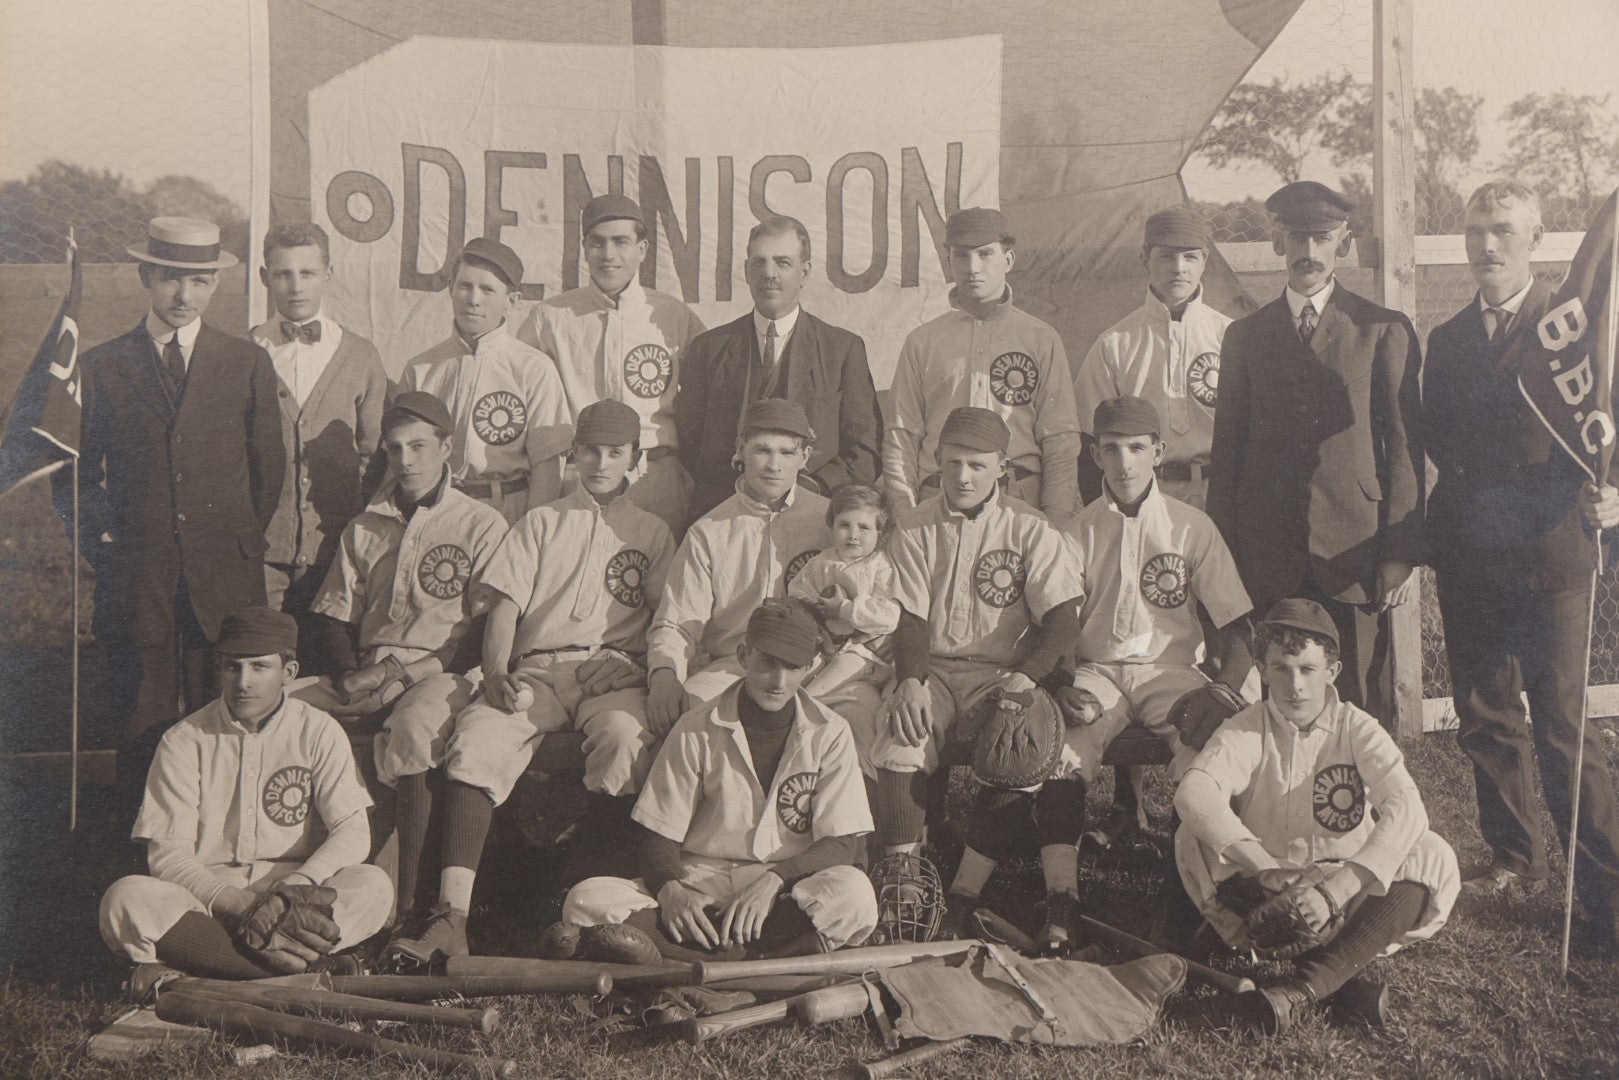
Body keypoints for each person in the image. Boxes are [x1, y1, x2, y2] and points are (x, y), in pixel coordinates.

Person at [382, 401, 676, 967]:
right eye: (589, 450)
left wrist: (637, 669)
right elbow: (505, 609)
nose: (600, 463)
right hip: (538, 667)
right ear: (572, 455)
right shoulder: (542, 520)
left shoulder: (654, 532)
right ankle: (452, 916)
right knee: (480, 737)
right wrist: (495, 672)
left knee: (623, 739)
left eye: (615, 453)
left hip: (611, 672)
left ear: (634, 460)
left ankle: (574, 910)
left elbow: (665, 619)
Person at [1424, 179, 1619, 947]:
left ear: (1534, 238)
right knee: (1485, 712)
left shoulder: (1573, 332)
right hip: (1472, 549)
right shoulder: (1445, 339)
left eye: (1503, 230)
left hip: (1553, 552)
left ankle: (1603, 887)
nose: (1487, 246)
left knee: (1565, 727)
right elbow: (1440, 439)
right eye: (1475, 231)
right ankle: (1513, 856)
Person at [56, 216, 285, 797]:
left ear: (215, 285)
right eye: (170, 280)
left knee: (230, 715)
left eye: (200, 281)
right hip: (139, 575)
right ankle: (140, 857)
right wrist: (102, 539)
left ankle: (228, 847)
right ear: (145, 277)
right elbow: (73, 472)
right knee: (143, 716)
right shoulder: (102, 366)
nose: (185, 296)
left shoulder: (245, 362)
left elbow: (268, 470)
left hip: (224, 579)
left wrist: (235, 542)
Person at [1173, 599, 1458, 1035]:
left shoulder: (1356, 726)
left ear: (1333, 671)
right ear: (1263, 671)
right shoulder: (1246, 727)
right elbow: (1195, 791)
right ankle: (1336, 976)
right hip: (1266, 883)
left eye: (1308, 670)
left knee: (1433, 853)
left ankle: (1299, 989)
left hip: (1346, 886)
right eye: (1281, 669)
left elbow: (1406, 804)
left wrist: (1336, 890)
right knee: (1189, 837)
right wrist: (1265, 868)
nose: (1295, 686)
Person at [1206, 181, 1424, 718]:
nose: (1308, 252)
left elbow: (1405, 450)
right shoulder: (1246, 336)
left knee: (1359, 698)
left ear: (1342, 244)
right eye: (1297, 238)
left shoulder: (1380, 330)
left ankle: (1366, 802)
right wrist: (1223, 554)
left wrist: (1399, 551)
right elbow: (1228, 452)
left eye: (1321, 238)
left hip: (1353, 548)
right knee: (1278, 699)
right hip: (1268, 552)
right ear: (1279, 243)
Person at [871, 407, 1085, 950]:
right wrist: (912, 680)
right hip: (936, 668)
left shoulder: (1029, 526)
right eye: (951, 464)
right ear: (936, 464)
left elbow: (1062, 620)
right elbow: (910, 619)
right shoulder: (918, 524)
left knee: (1017, 746)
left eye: (976, 465)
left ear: (1003, 469)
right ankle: (904, 882)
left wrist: (1029, 677)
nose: (962, 477)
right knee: (902, 733)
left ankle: (966, 891)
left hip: (1002, 672)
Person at [563, 599, 878, 960]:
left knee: (856, 897)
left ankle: (680, 956)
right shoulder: (696, 726)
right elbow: (657, 835)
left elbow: (840, 844)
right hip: (701, 881)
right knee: (585, 899)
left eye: (793, 667)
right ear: (744, 656)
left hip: (783, 887)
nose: (779, 681)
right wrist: (670, 890)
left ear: (810, 666)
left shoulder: (830, 731)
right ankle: (765, 956)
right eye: (767, 663)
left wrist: (773, 882)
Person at [293, 391, 508, 918]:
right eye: (394, 449)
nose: (406, 460)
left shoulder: (482, 524)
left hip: (444, 670)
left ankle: (409, 905)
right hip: (369, 667)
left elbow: (482, 635)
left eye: (418, 446)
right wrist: (348, 676)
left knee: (414, 728)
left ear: (445, 447)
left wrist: (400, 674)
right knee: (282, 707)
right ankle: (286, 875)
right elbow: (336, 616)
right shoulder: (365, 525)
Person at [98, 608, 392, 987]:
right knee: (124, 899)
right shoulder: (184, 739)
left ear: (289, 672)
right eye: (232, 667)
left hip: (295, 893)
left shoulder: (319, 730)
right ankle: (299, 972)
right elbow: (168, 856)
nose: (243, 682)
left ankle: (214, 963)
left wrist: (291, 892)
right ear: (219, 669)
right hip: (209, 895)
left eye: (259, 667)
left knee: (373, 885)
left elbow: (352, 833)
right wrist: (240, 904)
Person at [1058, 396, 1253, 850]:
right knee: (1060, 755)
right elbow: (1059, 626)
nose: (1123, 462)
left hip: (1170, 670)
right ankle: (1061, 897)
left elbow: (1238, 624)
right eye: (1110, 449)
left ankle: (1193, 887)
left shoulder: (1191, 526)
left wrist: (1224, 689)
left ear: (1159, 452)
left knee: (1211, 755)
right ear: (1095, 455)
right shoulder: (1075, 531)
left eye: (1136, 448)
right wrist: (1061, 680)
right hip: (1097, 671)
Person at [517, 194, 705, 533]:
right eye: (597, 243)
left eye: (621, 242)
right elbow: (521, 394)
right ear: (585, 248)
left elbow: (705, 399)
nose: (608, 255)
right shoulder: (550, 318)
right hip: (580, 477)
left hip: (655, 476)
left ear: (643, 250)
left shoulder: (673, 316)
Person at [883, 207, 1082, 522]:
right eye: (961, 256)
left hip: (1019, 500)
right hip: (939, 500)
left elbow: (1059, 439)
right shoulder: (923, 341)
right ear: (949, 261)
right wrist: (906, 514)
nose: (973, 267)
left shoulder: (1040, 339)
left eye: (985, 254)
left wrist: (1055, 520)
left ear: (1008, 260)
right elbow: (901, 437)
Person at [676, 215, 882, 519]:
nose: (769, 274)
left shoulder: (842, 349)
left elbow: (865, 450)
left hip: (812, 518)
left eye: (782, 263)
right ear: (747, 271)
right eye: (759, 263)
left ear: (805, 272)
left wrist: (813, 489)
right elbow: (689, 440)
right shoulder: (709, 349)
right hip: (726, 517)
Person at [645, 398, 832, 731]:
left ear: (804, 457)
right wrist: (664, 673)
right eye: (762, 450)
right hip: (738, 666)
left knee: (855, 724)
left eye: (787, 452)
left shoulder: (830, 521)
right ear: (740, 450)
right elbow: (677, 622)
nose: (774, 465)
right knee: (691, 720)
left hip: (816, 666)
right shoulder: (710, 530)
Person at [250, 222, 388, 659]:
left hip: (334, 557)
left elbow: (373, 455)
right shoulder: (244, 353)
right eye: (283, 274)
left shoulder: (361, 355)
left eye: (307, 273)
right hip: (263, 554)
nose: (295, 287)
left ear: (328, 274)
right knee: (264, 663)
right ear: (264, 276)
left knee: (329, 671)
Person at [398, 237, 572, 524]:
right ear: (451, 289)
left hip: (506, 509)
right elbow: (402, 458)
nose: (473, 299)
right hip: (436, 508)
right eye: (464, 286)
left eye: (487, 289)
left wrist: (528, 535)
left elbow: (548, 467)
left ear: (511, 301)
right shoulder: (421, 368)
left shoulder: (533, 368)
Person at [1075, 207, 1230, 511]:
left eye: (1190, 256)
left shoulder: (1230, 336)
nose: (1179, 268)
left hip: (1220, 492)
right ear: (1145, 259)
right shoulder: (1115, 344)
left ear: (1205, 260)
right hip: (1144, 494)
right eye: (1166, 256)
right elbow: (1088, 441)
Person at [788, 484, 899, 700]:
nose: (853, 535)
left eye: (864, 528)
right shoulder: (823, 561)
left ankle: (805, 705)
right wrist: (815, 609)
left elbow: (889, 616)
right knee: (798, 672)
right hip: (823, 644)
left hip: (863, 653)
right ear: (831, 526)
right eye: (844, 525)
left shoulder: (880, 566)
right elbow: (798, 592)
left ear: (880, 532)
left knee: (820, 686)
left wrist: (844, 609)